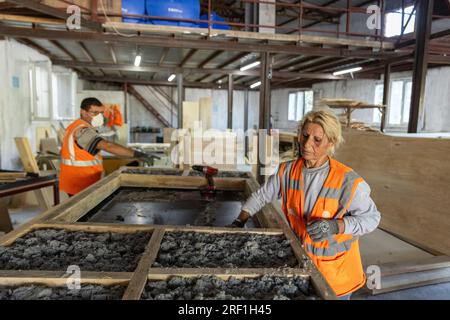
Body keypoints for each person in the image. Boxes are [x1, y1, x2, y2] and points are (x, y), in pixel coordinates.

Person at [229, 109, 381, 300]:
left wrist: (337, 225)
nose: (307, 144)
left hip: (336, 275)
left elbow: (372, 219)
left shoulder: (347, 181)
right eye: (305, 135)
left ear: (331, 142)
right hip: (302, 265)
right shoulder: (287, 171)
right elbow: (261, 196)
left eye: (317, 140)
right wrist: (238, 221)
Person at [59, 97, 155, 196]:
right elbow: (107, 146)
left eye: (100, 113)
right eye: (95, 113)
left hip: (79, 181)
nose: (99, 116)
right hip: (80, 183)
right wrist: (137, 154)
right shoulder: (82, 130)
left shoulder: (75, 126)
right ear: (83, 112)